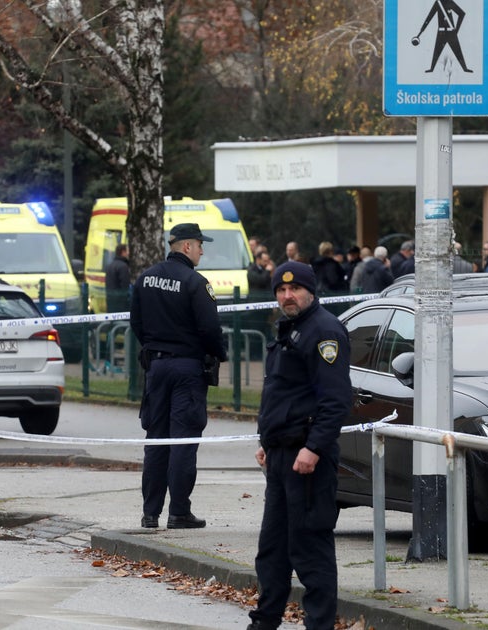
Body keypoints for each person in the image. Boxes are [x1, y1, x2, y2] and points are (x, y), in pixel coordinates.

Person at [247, 261, 351, 630]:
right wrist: (267, 441)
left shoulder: (323, 332)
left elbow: (335, 400)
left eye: (294, 290)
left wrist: (315, 447)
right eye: (281, 290)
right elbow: (280, 393)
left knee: (310, 549)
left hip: (307, 457)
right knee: (273, 550)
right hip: (280, 455)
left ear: (310, 291)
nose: (287, 296)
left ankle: (319, 625)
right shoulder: (289, 329)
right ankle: (264, 621)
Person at [130, 222, 228, 530]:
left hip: (156, 369)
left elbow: (137, 323)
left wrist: (154, 347)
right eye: (200, 244)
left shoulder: (145, 280)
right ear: (186, 246)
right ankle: (179, 512)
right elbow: (210, 329)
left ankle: (150, 514)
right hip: (187, 369)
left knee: (156, 441)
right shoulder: (195, 282)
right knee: (183, 441)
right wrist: (218, 353)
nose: (202, 250)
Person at [104, 243, 132, 312]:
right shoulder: (123, 266)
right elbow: (125, 286)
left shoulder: (110, 265)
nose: (128, 253)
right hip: (121, 304)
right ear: (123, 252)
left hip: (110, 301)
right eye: (127, 251)